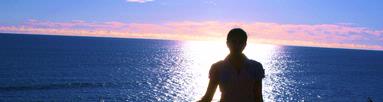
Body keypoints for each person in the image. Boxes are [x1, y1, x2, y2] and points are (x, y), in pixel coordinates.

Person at [199, 28, 265, 102]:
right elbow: (208, 97)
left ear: (245, 45)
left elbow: (258, 97)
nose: (237, 45)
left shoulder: (256, 67)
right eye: (234, 42)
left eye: (240, 42)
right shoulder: (217, 68)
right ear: (227, 43)